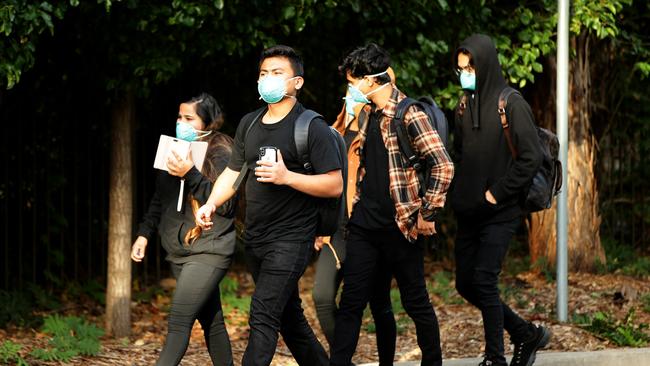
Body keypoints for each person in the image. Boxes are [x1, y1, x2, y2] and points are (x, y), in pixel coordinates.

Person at [195, 45, 342, 366]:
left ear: (297, 82)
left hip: (292, 240)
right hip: (256, 239)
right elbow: (233, 174)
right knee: (290, 320)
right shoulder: (249, 123)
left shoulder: (311, 127)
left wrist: (287, 176)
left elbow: (334, 184)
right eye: (264, 73)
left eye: (277, 73)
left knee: (262, 315)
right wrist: (210, 204)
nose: (268, 80)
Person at [329, 43, 454, 366]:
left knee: (415, 303)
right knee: (352, 302)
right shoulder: (368, 114)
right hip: (364, 227)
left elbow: (443, 164)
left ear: (369, 81)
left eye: (352, 82)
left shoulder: (409, 113)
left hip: (401, 225)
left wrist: (428, 211)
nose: (350, 88)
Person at [450, 33, 550, 366]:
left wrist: (497, 193)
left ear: (487, 65)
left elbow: (530, 157)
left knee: (483, 280)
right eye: (461, 68)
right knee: (465, 283)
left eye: (471, 68)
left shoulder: (511, 103)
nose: (465, 74)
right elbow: (460, 155)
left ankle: (495, 358)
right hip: (469, 212)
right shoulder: (463, 106)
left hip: (501, 210)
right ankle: (526, 333)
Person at [131, 93, 236, 366]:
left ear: (208, 122)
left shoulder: (221, 152)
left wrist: (190, 172)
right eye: (179, 117)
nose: (181, 123)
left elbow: (224, 204)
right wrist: (144, 234)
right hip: (178, 252)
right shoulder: (173, 149)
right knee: (213, 322)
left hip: (208, 249)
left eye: (189, 118)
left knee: (178, 322)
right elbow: (160, 199)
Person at [311, 74, 397, 364]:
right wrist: (319, 226)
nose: (352, 90)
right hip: (334, 231)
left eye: (357, 83)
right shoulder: (336, 128)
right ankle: (343, 359)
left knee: (379, 304)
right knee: (322, 297)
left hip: (367, 228)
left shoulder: (378, 126)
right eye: (350, 84)